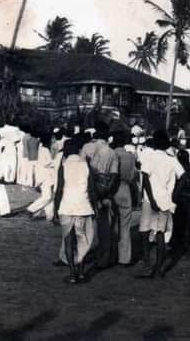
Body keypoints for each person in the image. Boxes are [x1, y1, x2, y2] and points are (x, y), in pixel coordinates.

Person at [137, 130, 184, 278]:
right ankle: (158, 270)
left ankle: (147, 265)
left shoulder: (149, 157)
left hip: (150, 201)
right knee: (160, 234)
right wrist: (174, 195)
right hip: (165, 200)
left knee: (144, 233)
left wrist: (151, 199)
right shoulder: (171, 159)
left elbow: (145, 179)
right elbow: (183, 176)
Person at [54, 139, 97, 284]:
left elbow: (59, 190)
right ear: (78, 150)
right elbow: (91, 189)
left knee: (68, 240)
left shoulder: (64, 166)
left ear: (66, 151)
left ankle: (72, 274)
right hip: (83, 206)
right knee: (82, 240)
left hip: (66, 206)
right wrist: (95, 206)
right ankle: (81, 272)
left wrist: (55, 210)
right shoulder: (85, 165)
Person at [80, 121, 120, 269]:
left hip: (89, 186)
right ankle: (104, 257)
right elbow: (114, 175)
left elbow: (84, 168)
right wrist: (107, 192)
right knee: (105, 226)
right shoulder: (111, 153)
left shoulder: (89, 147)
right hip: (104, 186)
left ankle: (84, 254)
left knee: (87, 224)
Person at [113, 131, 138, 266]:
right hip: (125, 188)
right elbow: (133, 176)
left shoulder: (112, 154)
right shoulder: (130, 156)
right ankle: (124, 258)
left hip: (113, 189)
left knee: (111, 224)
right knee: (125, 225)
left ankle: (109, 255)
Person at [171, 149, 190, 256]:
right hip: (188, 201)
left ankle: (180, 247)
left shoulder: (182, 170)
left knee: (180, 225)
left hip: (182, 200)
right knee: (187, 225)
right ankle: (185, 247)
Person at [27, 133, 59, 221]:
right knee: (47, 196)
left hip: (46, 175)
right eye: (52, 139)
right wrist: (55, 162)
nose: (53, 141)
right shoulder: (44, 150)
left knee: (49, 196)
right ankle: (31, 209)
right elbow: (46, 163)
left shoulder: (42, 149)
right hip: (45, 176)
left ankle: (50, 215)